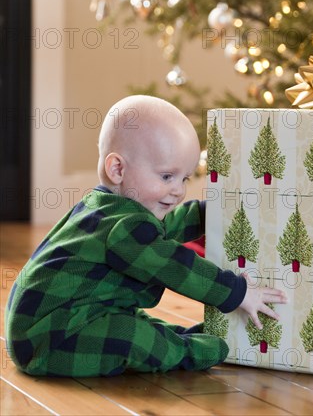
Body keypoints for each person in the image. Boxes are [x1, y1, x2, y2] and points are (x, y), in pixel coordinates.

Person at [5, 95, 287, 377]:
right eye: (167, 176)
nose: (178, 190)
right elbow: (174, 266)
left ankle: (175, 339)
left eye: (185, 179)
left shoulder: (108, 209)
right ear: (118, 169)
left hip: (69, 320)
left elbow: (159, 230)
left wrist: (205, 214)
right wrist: (235, 292)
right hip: (50, 342)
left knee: (133, 323)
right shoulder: (122, 227)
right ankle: (186, 352)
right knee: (129, 335)